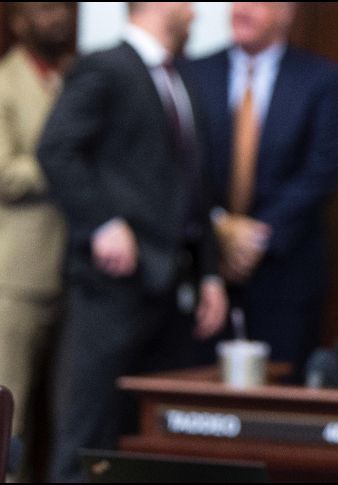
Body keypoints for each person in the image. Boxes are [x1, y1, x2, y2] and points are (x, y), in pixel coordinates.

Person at [37, 3, 228, 481]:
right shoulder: (105, 65)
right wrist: (102, 222)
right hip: (112, 287)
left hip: (173, 288)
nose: (195, 13)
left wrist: (209, 272)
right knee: (89, 431)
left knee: (153, 436)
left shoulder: (180, 78)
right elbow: (56, 147)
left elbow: (194, 186)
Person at [183, 2, 338, 380]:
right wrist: (220, 225)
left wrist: (257, 236)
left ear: (287, 11)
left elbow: (322, 169)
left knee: (278, 400)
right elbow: (181, 164)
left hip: (285, 268)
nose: (241, 9)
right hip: (205, 266)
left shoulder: (320, 79)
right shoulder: (193, 71)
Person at [0, 1, 74, 475]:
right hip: (17, 276)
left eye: (61, 8)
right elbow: (5, 173)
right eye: (43, 9)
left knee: (67, 417)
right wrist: (68, 161)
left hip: (76, 271)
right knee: (12, 414)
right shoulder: (5, 82)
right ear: (18, 22)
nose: (57, 18)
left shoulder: (73, 76)